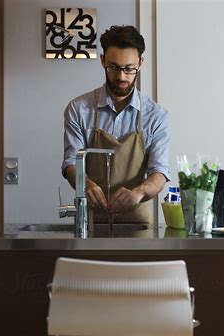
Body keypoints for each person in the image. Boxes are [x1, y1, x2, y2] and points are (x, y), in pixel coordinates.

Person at [61, 25, 170, 223]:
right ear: (102, 61)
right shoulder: (79, 109)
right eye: (113, 67)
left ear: (140, 64)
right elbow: (70, 163)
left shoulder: (156, 116)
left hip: (139, 225)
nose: (121, 76)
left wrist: (137, 193)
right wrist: (86, 185)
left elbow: (160, 173)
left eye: (129, 69)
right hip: (91, 222)